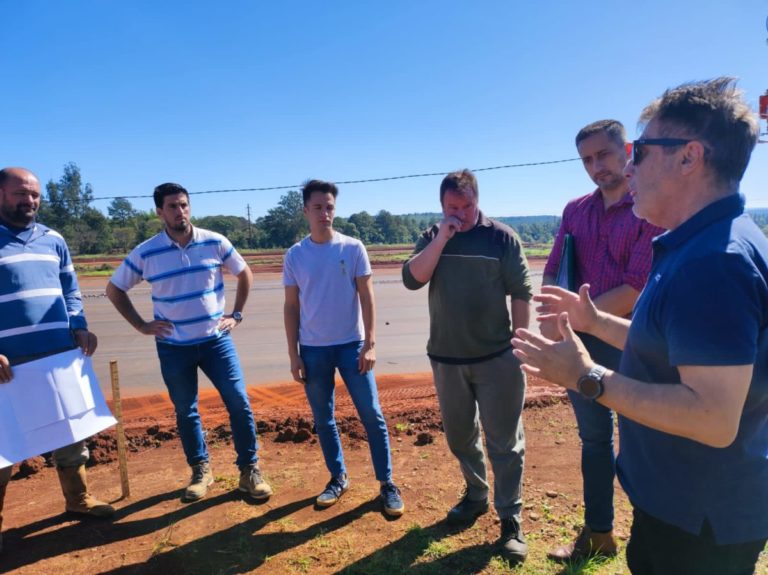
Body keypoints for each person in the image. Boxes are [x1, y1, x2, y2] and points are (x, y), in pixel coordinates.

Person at [512, 77, 768, 574]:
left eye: (642, 152)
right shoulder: (704, 241)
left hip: (700, 519)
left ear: (689, 157)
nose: (628, 168)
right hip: (688, 505)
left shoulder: (713, 262)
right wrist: (595, 320)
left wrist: (588, 376)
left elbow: (712, 419)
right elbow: (675, 349)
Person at [541, 120, 663, 562]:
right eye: (587, 160)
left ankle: (652, 532)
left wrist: (578, 317)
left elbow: (635, 287)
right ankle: (599, 534)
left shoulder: (648, 206)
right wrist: (554, 314)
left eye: (603, 155)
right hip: (582, 343)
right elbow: (555, 267)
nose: (596, 167)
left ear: (626, 149)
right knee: (593, 441)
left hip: (631, 341)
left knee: (641, 439)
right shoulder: (575, 209)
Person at [106, 183, 271, 503]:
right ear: (159, 212)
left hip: (216, 342)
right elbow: (115, 290)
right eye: (172, 206)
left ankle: (249, 470)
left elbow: (245, 272)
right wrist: (141, 325)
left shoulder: (214, 242)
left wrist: (236, 314)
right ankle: (200, 470)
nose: (179, 211)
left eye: (183, 205)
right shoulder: (146, 252)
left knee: (238, 402)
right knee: (186, 410)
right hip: (173, 346)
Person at [402, 169, 532, 563]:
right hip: (447, 358)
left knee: (505, 443)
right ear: (442, 206)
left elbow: (522, 293)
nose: (459, 213)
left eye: (466, 205)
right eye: (451, 208)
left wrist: (521, 346)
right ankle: (476, 494)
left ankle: (510, 519)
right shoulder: (433, 236)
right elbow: (413, 279)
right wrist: (442, 237)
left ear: (479, 199)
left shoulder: (501, 237)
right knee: (460, 437)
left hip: (496, 358)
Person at [0, 167, 114, 554]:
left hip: (57, 358)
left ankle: (77, 499)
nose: (29, 201)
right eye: (20, 193)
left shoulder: (53, 240)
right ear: (1, 194)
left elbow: (71, 288)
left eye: (34, 195)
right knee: (3, 446)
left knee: (69, 432)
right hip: (6, 367)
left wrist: (79, 325)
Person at [282, 180, 404, 517]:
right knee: (324, 419)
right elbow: (291, 307)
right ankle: (338, 478)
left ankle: (387, 483)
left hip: (352, 347)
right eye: (318, 207)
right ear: (306, 210)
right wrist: (294, 355)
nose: (325, 213)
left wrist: (371, 343)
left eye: (330, 207)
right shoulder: (295, 255)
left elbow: (367, 295)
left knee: (373, 416)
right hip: (313, 350)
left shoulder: (353, 249)